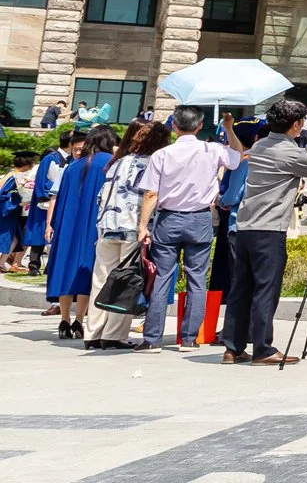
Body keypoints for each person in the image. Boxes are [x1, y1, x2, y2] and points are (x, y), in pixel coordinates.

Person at [220, 100, 307, 366]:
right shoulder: (290, 152)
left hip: (244, 226)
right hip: (269, 229)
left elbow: (297, 160)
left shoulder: (259, 145)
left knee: (241, 289)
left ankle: (233, 347)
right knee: (265, 290)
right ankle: (263, 349)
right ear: (296, 125)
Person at [134, 110, 245, 351]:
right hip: (199, 218)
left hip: (168, 219)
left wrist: (143, 225)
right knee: (196, 279)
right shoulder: (212, 149)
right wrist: (228, 128)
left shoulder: (162, 154)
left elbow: (151, 193)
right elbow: (238, 157)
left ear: (174, 126)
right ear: (200, 126)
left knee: (162, 277)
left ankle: (152, 339)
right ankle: (188, 339)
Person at [86, 122, 166, 347]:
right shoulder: (152, 162)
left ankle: (93, 333)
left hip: (107, 224)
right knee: (127, 280)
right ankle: (114, 334)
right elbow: (151, 195)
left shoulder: (117, 162)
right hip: (133, 226)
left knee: (101, 279)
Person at [45, 125, 117, 338]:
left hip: (68, 225)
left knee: (66, 270)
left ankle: (64, 320)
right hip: (93, 226)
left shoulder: (73, 166)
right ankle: (79, 321)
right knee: (87, 270)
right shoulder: (109, 164)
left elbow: (60, 199)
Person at [24, 129, 79, 277]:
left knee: (57, 233)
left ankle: (51, 265)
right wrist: (44, 196)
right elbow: (41, 179)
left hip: (62, 201)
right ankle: (34, 265)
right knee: (39, 233)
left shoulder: (74, 160)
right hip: (45, 201)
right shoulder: (50, 158)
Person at [0, 150, 31, 272]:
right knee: (10, 237)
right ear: (26, 164)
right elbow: (4, 194)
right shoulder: (16, 178)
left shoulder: (11, 174)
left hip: (10, 211)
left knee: (14, 238)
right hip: (7, 211)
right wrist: (19, 202)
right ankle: (1, 263)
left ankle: (2, 263)